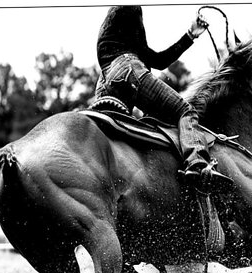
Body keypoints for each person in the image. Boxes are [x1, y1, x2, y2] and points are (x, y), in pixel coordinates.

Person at [94, 5, 233, 193]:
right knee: (185, 111)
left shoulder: (111, 22)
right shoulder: (131, 8)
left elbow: (154, 60)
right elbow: (156, 61)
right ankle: (198, 163)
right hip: (128, 69)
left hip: (105, 81)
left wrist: (191, 34)